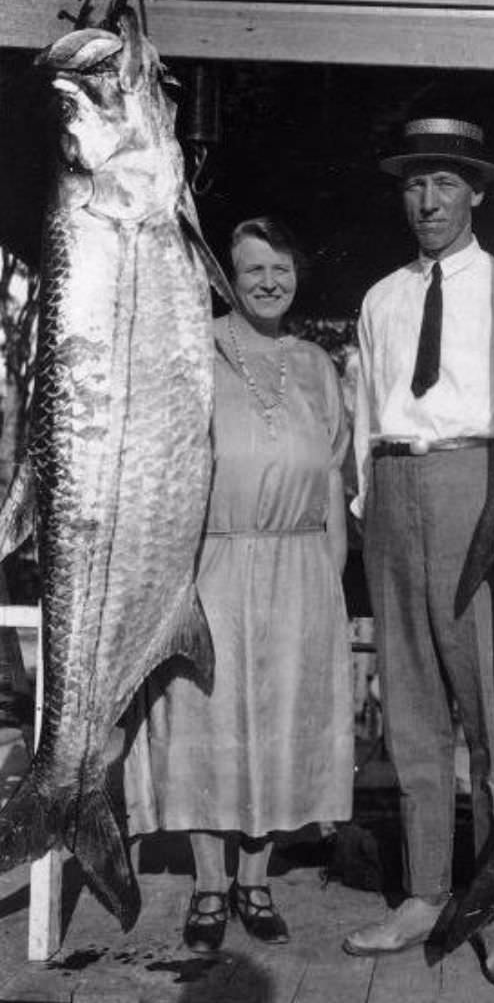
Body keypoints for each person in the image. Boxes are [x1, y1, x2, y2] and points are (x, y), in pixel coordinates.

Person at [341, 109, 494, 988]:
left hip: (479, 484)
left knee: (492, 714)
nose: (428, 199)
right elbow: (362, 414)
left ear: (478, 192)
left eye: (445, 182)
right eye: (415, 183)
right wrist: (363, 498)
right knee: (412, 705)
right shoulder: (382, 298)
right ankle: (423, 893)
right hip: (394, 488)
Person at [124, 216, 353, 951]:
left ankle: (256, 877)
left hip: (301, 568)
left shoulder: (317, 364)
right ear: (228, 273)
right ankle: (209, 885)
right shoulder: (197, 349)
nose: (268, 282)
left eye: (280, 268)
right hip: (213, 563)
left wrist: (330, 582)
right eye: (252, 268)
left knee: (283, 724)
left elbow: (336, 480)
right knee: (203, 719)